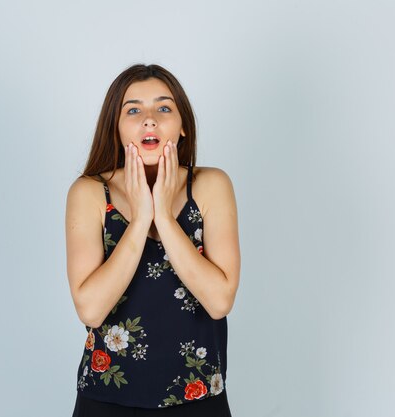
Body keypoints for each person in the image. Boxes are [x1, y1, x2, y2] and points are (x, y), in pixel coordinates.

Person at [65, 63, 240, 416]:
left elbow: (219, 301)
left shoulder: (211, 186)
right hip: (106, 400)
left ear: (183, 127)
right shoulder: (90, 192)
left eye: (163, 107)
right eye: (133, 110)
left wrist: (163, 215)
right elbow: (91, 309)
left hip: (199, 398)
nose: (149, 119)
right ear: (115, 127)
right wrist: (141, 217)